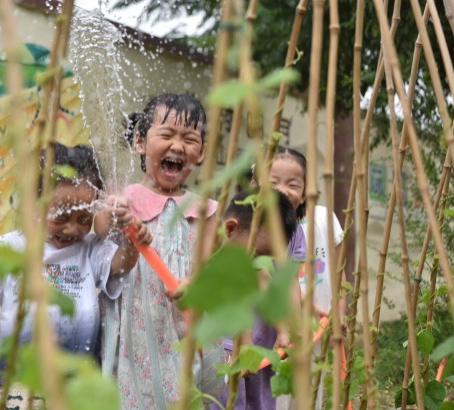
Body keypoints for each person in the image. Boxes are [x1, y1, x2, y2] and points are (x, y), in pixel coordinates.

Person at [0, 143, 152, 405]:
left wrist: (132, 242)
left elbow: (120, 265)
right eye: (60, 217)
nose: (72, 229)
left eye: (84, 219)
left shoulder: (89, 249)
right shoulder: (10, 248)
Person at [96, 93, 224, 409]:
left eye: (190, 139)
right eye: (166, 135)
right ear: (140, 141)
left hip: (186, 324)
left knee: (189, 394)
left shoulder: (207, 210)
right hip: (138, 329)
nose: (178, 146)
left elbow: (215, 266)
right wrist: (112, 212)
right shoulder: (126, 200)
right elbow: (99, 229)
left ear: (201, 152)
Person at [266, 146, 345, 410]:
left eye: (292, 184)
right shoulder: (259, 230)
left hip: (312, 330)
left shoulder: (322, 218)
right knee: (273, 397)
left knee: (308, 395)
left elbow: (338, 274)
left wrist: (339, 316)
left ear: (306, 191)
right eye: (273, 182)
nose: (282, 190)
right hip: (272, 334)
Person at [210, 190, 302, 410]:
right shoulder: (205, 254)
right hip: (215, 354)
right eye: (258, 254)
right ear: (230, 229)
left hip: (243, 352)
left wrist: (282, 331)